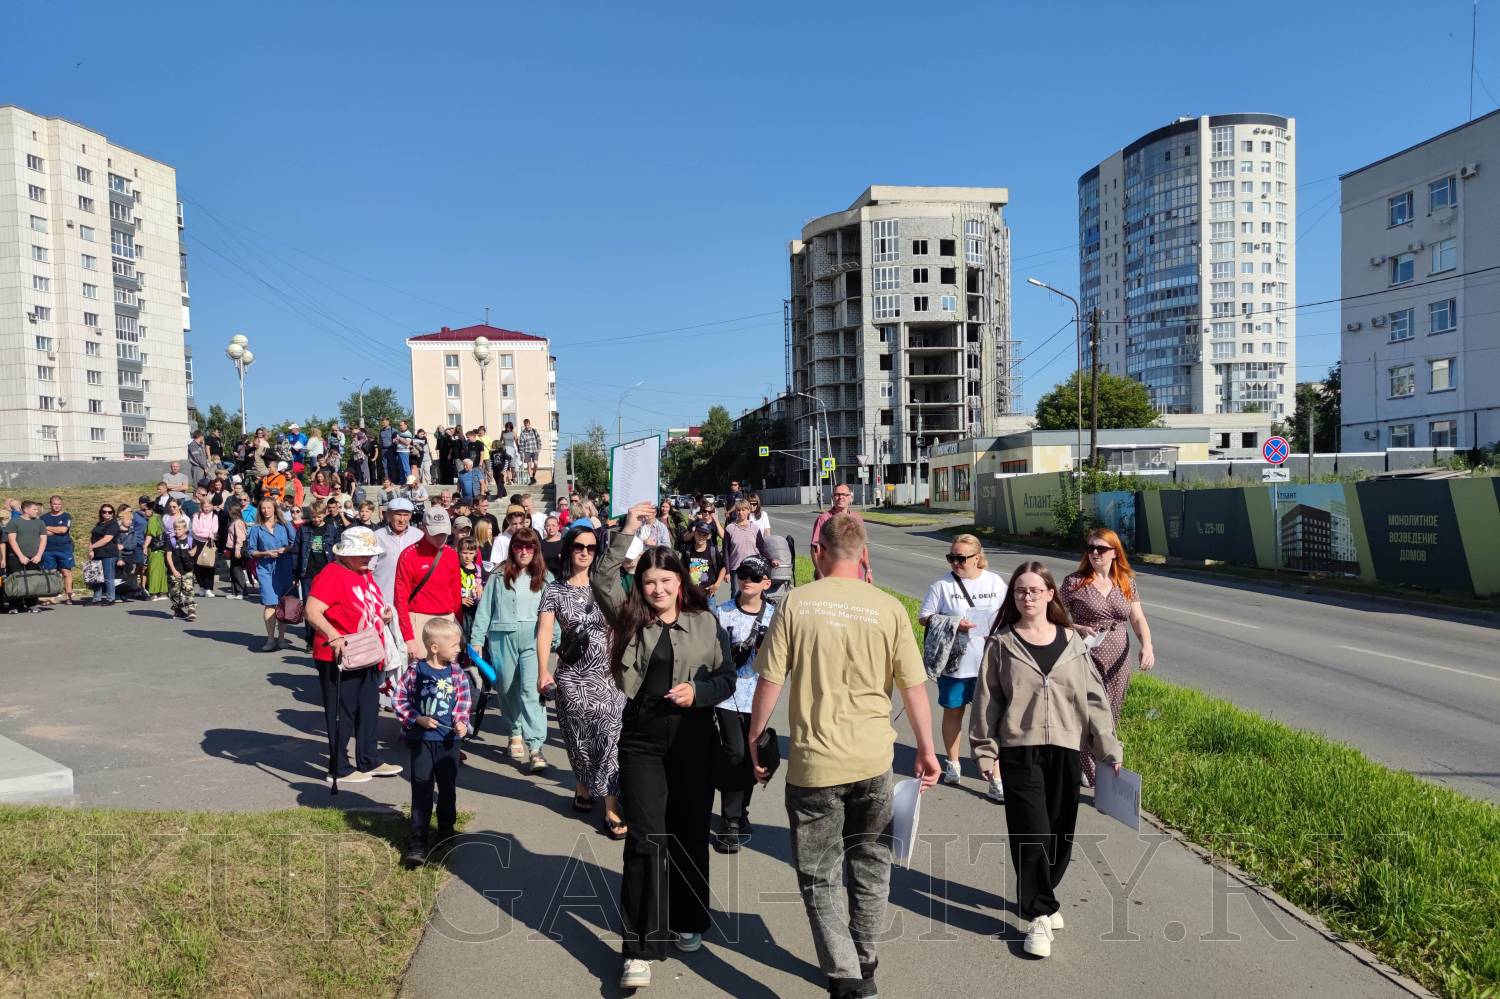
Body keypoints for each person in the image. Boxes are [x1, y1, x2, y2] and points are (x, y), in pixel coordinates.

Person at [747, 512, 939, 999]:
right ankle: (865, 961)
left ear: (818, 552)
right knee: (871, 865)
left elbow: (769, 681)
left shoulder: (795, 604)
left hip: (815, 765)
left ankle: (846, 976)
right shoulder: (888, 608)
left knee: (820, 874)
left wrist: (754, 738)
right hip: (874, 762)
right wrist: (926, 748)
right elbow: (914, 686)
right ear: (864, 555)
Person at [593, 502, 737, 990]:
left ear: (680, 582)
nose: (657, 589)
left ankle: (688, 918)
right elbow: (602, 578)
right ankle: (638, 948)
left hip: (694, 735)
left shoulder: (705, 621)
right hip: (643, 736)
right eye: (649, 581)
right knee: (645, 836)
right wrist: (627, 529)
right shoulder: (629, 617)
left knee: (690, 830)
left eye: (665, 580)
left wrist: (700, 691)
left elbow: (727, 677)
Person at [970, 561, 1123, 959]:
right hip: (1019, 750)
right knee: (1031, 831)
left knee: (1059, 833)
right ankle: (1038, 914)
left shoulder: (1072, 642)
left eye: (1035, 590)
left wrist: (1108, 748)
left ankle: (1043, 892)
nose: (1028, 597)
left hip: (1066, 749)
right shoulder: (1001, 644)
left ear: (1050, 594)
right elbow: (987, 701)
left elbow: (1094, 698)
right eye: (1020, 590)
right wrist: (985, 751)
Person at [535, 526, 625, 836]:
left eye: (590, 547)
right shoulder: (554, 590)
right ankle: (583, 784)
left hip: (608, 676)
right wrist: (543, 670)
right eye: (578, 546)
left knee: (610, 739)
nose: (585, 552)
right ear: (568, 550)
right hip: (572, 677)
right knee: (578, 738)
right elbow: (545, 632)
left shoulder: (606, 585)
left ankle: (611, 806)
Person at [305, 526, 405, 787]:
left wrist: (384, 614)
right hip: (340, 654)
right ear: (346, 553)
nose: (368, 557)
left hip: (367, 651)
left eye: (370, 553)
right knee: (343, 711)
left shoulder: (363, 573)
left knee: (369, 708)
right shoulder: (332, 574)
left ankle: (369, 759)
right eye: (362, 553)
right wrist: (333, 635)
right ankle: (338, 767)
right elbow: (312, 611)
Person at [1060, 528, 1154, 787]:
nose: (1094, 553)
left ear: (1115, 552)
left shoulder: (1125, 581)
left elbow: (1137, 618)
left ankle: (1106, 760)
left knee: (1111, 709)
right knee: (1086, 710)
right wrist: (1077, 628)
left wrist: (1147, 646)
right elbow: (1053, 616)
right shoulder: (1074, 582)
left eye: (1101, 548)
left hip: (1118, 655)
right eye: (1090, 548)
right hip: (1085, 654)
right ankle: (1087, 765)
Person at [918, 533, 1008, 798]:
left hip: (989, 663)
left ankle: (995, 775)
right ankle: (953, 762)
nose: (955, 563)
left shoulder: (995, 582)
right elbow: (924, 617)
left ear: (977, 558)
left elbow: (1009, 613)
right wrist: (954, 623)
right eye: (951, 558)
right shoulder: (942, 586)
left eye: (961, 558)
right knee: (953, 712)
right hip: (955, 663)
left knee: (991, 719)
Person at [394, 617, 472, 867]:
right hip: (422, 740)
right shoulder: (415, 671)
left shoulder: (457, 673)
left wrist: (461, 723)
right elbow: (399, 700)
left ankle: (446, 831)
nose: (458, 649)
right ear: (435, 647)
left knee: (447, 788)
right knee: (421, 787)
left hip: (449, 742)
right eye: (454, 645)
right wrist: (417, 719)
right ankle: (418, 841)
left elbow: (463, 703)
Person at [472, 526, 551, 771]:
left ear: (536, 549)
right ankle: (514, 731)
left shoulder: (545, 577)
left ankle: (535, 746)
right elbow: (485, 608)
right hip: (501, 637)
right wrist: (477, 639)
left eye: (529, 546)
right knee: (506, 687)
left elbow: (552, 613)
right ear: (512, 549)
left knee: (531, 690)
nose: (524, 551)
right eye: (519, 546)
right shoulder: (498, 575)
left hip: (533, 639)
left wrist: (556, 639)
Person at [712, 554, 774, 853]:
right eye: (742, 574)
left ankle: (741, 811)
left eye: (754, 575)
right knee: (735, 753)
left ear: (766, 583)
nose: (747, 579)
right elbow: (709, 654)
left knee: (752, 757)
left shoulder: (775, 617)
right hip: (727, 696)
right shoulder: (722, 612)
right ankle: (730, 822)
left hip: (760, 698)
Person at [394, 506, 462, 660]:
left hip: (448, 619)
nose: (441, 537)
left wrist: (459, 626)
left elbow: (456, 594)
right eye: (436, 533)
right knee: (420, 669)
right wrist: (408, 637)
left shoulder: (451, 554)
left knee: (448, 671)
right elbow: (400, 600)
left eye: (444, 533)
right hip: (419, 621)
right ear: (423, 528)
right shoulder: (409, 555)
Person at [248, 497, 296, 651]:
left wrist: (285, 549)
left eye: (269, 507)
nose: (266, 510)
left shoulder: (285, 525)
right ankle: (270, 639)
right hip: (265, 569)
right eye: (263, 508)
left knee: (283, 603)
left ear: (275, 508)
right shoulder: (256, 529)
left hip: (284, 567)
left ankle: (281, 638)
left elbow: (295, 543)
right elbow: (251, 551)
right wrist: (265, 553)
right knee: (270, 603)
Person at [295, 501, 343, 646]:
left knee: (327, 606)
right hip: (308, 573)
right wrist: (295, 574)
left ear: (325, 514)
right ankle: (310, 638)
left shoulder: (331, 529)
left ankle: (324, 635)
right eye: (314, 516)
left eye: (319, 516)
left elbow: (337, 551)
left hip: (326, 573)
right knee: (309, 607)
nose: (316, 519)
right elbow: (296, 552)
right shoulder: (303, 529)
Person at [810, 485, 871, 583]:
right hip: (830, 576)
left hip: (855, 576)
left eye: (844, 494)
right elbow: (815, 548)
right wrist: (819, 570)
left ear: (850, 497)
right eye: (837, 494)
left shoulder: (857, 519)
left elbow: (863, 547)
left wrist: (868, 570)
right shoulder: (823, 519)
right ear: (832, 497)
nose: (840, 497)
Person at [371, 497, 421, 609]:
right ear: (389, 514)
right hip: (384, 600)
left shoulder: (418, 536)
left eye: (406, 515)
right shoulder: (377, 536)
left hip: (412, 601)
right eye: (398, 515)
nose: (402, 519)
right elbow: (369, 569)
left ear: (410, 516)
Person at [4, 500, 48, 613]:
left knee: (33, 580)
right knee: (16, 580)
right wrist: (21, 556)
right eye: (34, 509)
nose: (37, 511)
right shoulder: (14, 522)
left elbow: (43, 539)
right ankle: (14, 605)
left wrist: (39, 555)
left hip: (35, 557)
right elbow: (12, 540)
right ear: (26, 510)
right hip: (16, 557)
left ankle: (32, 604)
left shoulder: (39, 522)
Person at [722, 499, 775, 593]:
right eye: (738, 510)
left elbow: (762, 548)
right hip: (736, 569)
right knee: (736, 594)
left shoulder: (755, 528)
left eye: (743, 510)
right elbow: (726, 551)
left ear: (748, 511)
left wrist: (771, 560)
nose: (741, 512)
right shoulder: (729, 528)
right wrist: (727, 572)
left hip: (753, 568)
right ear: (735, 511)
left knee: (753, 593)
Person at [41, 495, 75, 605]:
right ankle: (51, 596)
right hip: (48, 549)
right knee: (50, 573)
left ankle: (68, 596)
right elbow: (42, 532)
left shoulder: (66, 516)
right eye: (55, 504)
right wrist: (52, 530)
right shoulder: (43, 517)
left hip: (64, 548)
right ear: (50, 504)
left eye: (59, 504)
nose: (57, 506)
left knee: (66, 572)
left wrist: (47, 527)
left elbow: (63, 530)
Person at [679, 520, 725, 599]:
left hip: (708, 594)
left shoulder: (712, 551)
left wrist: (717, 584)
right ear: (694, 533)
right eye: (699, 534)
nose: (701, 537)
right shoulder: (688, 551)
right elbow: (681, 569)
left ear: (709, 536)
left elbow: (723, 567)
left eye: (704, 535)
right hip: (691, 594)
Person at [164, 517, 198, 622]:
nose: (177, 531)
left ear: (185, 529)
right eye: (175, 529)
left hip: (187, 570)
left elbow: (195, 547)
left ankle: (191, 610)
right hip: (174, 570)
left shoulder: (190, 540)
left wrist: (193, 551)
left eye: (179, 529)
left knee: (189, 589)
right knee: (174, 592)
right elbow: (168, 556)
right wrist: (173, 570)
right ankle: (177, 610)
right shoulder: (171, 541)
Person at [84, 504, 117, 605]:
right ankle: (97, 598)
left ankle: (110, 598)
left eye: (109, 512)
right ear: (101, 513)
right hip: (97, 553)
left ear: (113, 513)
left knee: (108, 577)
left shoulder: (113, 524)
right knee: (96, 578)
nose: (107, 514)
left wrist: (92, 547)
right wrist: (90, 550)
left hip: (108, 554)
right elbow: (92, 537)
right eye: (104, 512)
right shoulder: (99, 524)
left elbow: (106, 539)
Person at [189, 498, 221, 598]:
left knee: (209, 565)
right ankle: (201, 586)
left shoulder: (214, 516)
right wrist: (207, 532)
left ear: (211, 506)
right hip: (198, 542)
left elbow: (214, 530)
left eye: (208, 506)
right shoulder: (196, 516)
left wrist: (204, 532)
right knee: (198, 565)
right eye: (205, 506)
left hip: (209, 543)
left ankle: (208, 588)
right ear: (201, 506)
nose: (206, 508)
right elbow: (195, 530)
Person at [224, 499, 250, 599]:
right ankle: (235, 592)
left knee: (237, 570)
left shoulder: (238, 522)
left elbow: (240, 537)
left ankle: (241, 592)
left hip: (237, 548)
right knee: (233, 570)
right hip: (233, 548)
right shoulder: (235, 522)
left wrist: (237, 550)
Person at [144, 503, 169, 601]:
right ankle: (162, 592)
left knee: (153, 570)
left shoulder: (152, 519)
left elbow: (150, 534)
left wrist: (145, 546)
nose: (144, 511)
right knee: (161, 571)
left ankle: (153, 592)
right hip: (161, 549)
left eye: (146, 509)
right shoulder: (160, 518)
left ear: (151, 510)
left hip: (154, 548)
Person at [518, 418, 541, 485]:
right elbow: (521, 444)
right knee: (529, 465)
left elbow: (538, 439)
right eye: (525, 425)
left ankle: (533, 476)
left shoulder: (534, 431)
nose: (527, 426)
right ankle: (531, 479)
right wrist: (521, 452)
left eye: (527, 424)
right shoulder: (523, 433)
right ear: (524, 425)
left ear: (529, 424)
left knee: (536, 463)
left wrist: (539, 448)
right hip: (527, 451)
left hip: (534, 450)